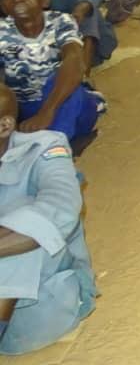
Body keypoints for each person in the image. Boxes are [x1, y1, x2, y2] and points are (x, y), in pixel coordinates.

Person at [0, 84, 96, 355]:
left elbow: (61, 206)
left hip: (37, 309)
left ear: (4, 126)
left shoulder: (44, 148)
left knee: (25, 225)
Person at [0, 0, 100, 141]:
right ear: (4, 7)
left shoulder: (61, 21)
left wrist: (47, 112)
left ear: (44, 1)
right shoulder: (2, 30)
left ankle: (51, 147)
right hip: (22, 107)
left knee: (66, 83)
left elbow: (74, 61)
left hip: (62, 102)